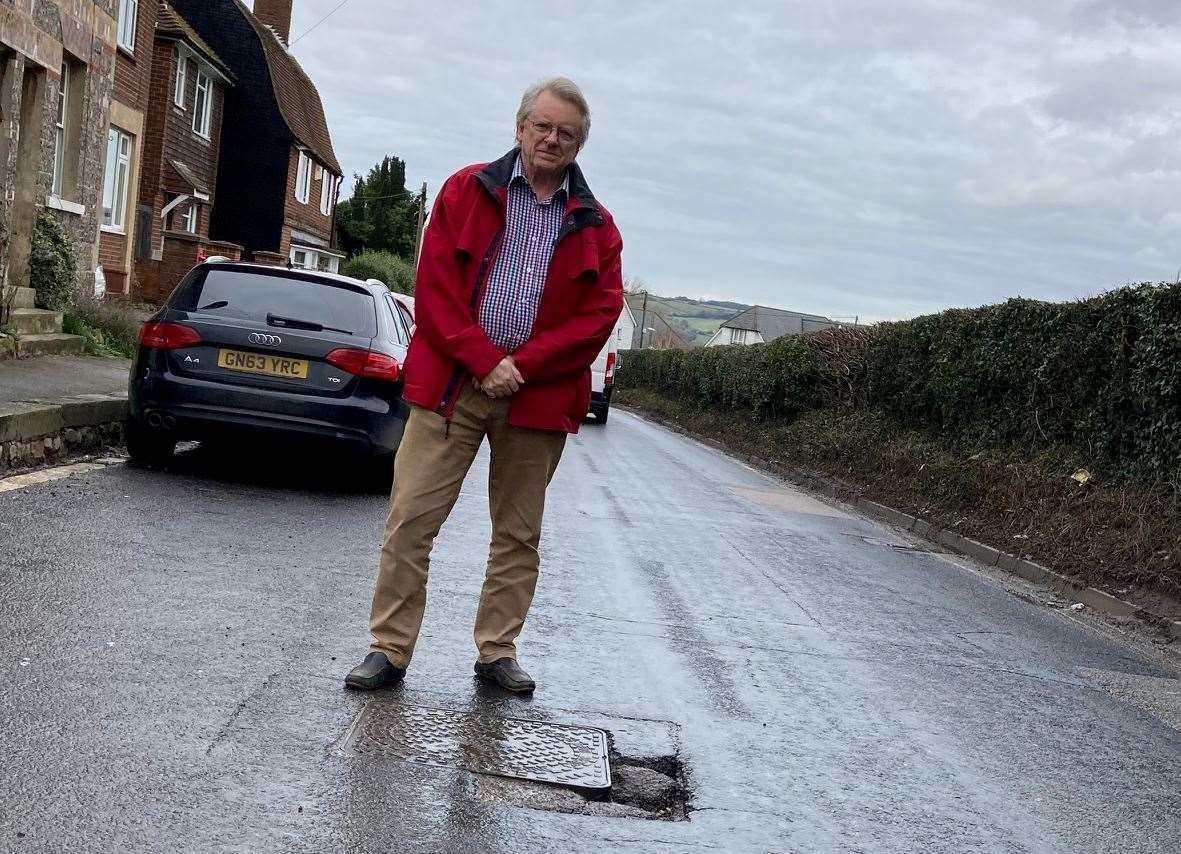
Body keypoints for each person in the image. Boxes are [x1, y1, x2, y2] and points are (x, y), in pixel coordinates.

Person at [345, 77, 624, 694]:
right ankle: (388, 649)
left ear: (580, 144)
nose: (551, 138)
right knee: (410, 521)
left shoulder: (599, 227)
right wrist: (483, 359)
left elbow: (598, 316)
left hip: (536, 397)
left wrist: (519, 366)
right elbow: (435, 290)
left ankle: (497, 651)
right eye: (542, 126)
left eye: (566, 132)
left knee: (518, 535)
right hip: (453, 387)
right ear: (520, 127)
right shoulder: (464, 190)